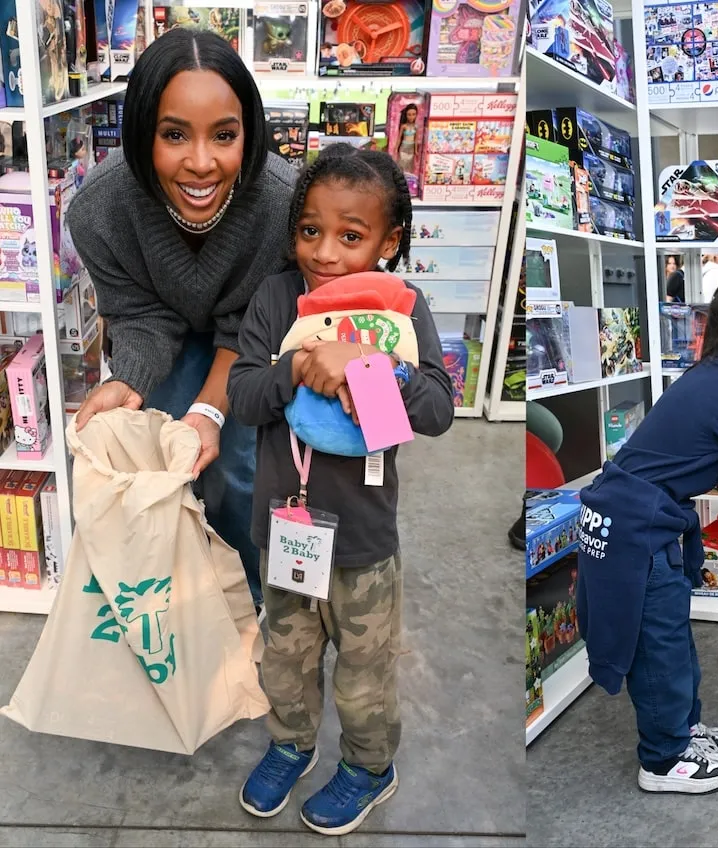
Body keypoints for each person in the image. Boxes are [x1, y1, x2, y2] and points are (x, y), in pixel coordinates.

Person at [227, 143, 454, 834]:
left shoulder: (402, 311)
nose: (326, 253)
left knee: (364, 669)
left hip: (360, 541)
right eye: (310, 230)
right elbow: (242, 395)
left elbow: (438, 408)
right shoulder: (275, 299)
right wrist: (296, 364)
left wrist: (379, 368)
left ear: (389, 241)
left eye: (351, 237)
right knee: (285, 659)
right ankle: (291, 743)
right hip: (287, 528)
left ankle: (367, 765)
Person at [68, 29, 299, 607]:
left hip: (251, 337)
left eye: (224, 135)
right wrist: (128, 380)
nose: (201, 163)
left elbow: (252, 325)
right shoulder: (99, 209)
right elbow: (138, 316)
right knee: (163, 466)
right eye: (174, 135)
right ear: (142, 132)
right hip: (161, 333)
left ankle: (244, 604)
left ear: (250, 130)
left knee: (242, 470)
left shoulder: (281, 203)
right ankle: (171, 607)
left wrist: (211, 410)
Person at [576, 268, 718, 794]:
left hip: (638, 519)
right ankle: (663, 757)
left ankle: (682, 726)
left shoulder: (714, 378)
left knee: (673, 637)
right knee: (658, 646)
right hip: (637, 531)